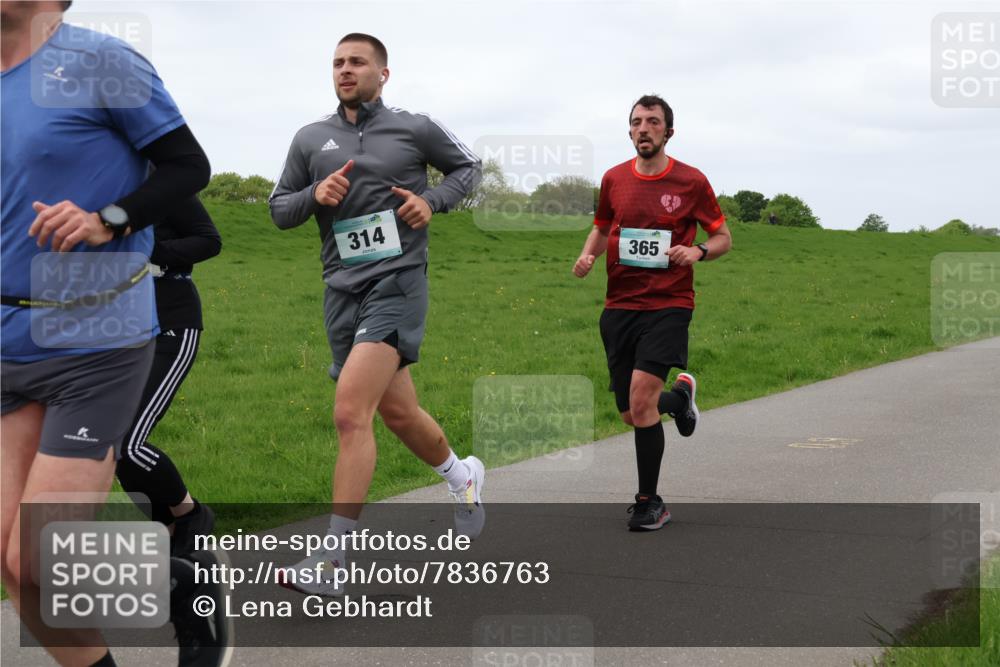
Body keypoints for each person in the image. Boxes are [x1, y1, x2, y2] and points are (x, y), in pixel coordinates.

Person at [0, 3, 228, 666]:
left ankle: (188, 588)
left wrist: (112, 218)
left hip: (97, 339)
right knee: (13, 563)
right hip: (10, 337)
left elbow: (189, 166)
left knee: (38, 556)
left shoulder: (104, 60)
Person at [269, 33, 484, 596]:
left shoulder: (413, 128)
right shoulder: (310, 138)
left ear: (382, 73)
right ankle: (463, 478)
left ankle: (332, 561)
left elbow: (468, 169)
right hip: (341, 291)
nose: (345, 70)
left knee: (349, 414)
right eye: (338, 62)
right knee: (400, 413)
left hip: (397, 283)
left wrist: (430, 201)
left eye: (357, 62)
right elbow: (278, 210)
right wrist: (316, 194)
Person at [573, 94, 732, 531]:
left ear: (668, 132)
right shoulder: (613, 179)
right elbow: (602, 226)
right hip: (619, 305)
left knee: (641, 402)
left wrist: (697, 250)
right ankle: (679, 400)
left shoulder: (691, 181)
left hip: (669, 303)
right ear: (629, 131)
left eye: (653, 122)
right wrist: (587, 257)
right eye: (637, 122)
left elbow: (723, 237)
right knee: (630, 411)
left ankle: (650, 502)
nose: (644, 128)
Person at [115, 194, 221, 557]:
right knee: (110, 447)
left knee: (127, 443)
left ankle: (191, 514)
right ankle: (171, 533)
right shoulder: (99, 189)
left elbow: (209, 240)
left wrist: (148, 249)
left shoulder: (164, 187)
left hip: (170, 323)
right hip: (118, 326)